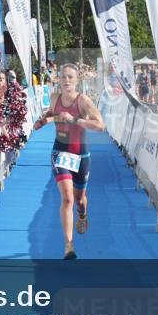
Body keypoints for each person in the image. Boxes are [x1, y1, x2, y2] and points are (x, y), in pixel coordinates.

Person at [32, 63, 105, 260]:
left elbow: (100, 126)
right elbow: (51, 112)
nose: (66, 81)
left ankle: (82, 214)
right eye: (63, 77)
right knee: (67, 198)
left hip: (80, 155)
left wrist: (74, 120)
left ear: (77, 80)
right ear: (58, 79)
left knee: (80, 200)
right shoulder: (55, 97)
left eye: (70, 77)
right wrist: (44, 120)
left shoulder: (83, 101)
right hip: (60, 152)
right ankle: (68, 246)